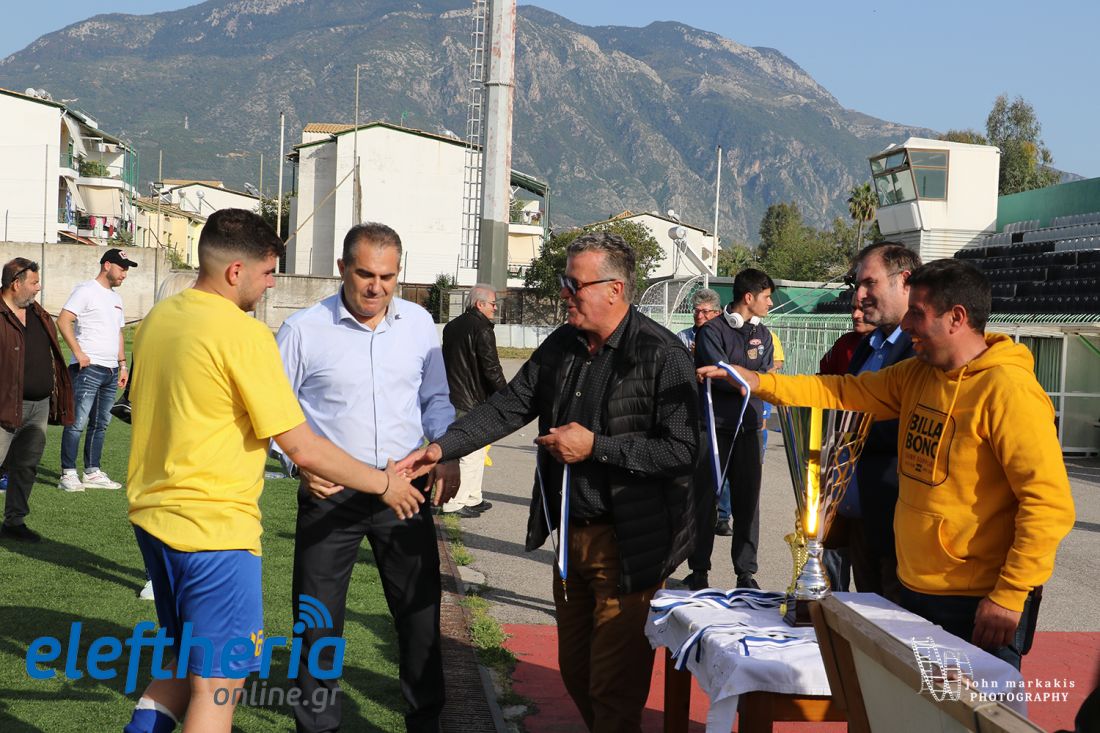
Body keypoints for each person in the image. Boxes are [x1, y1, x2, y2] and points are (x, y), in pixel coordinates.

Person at [124, 210, 424, 733]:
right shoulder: (244, 334)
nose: (271, 285)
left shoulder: (159, 318)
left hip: (154, 519)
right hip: (213, 532)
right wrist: (384, 483)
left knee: (181, 661)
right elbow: (302, 446)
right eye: (267, 273)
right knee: (219, 686)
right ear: (236, 271)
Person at [701, 259, 1075, 669]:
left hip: (976, 602)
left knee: (972, 707)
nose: (908, 324)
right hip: (913, 588)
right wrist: (759, 382)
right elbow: (843, 392)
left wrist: (1010, 594)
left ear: (957, 318)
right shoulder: (916, 374)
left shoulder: (1009, 391)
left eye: (918, 313)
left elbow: (1048, 505)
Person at [400, 231, 699, 732]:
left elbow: (683, 450)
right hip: (570, 539)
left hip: (630, 546)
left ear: (614, 290)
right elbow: (509, 405)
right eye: (566, 280)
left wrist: (596, 446)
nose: (564, 292)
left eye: (574, 284)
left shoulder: (662, 354)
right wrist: (441, 447)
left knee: (613, 687)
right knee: (576, 672)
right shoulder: (564, 343)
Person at [277, 223, 458, 733]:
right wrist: (298, 464)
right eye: (365, 274)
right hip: (331, 493)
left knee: (420, 617)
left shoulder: (419, 324)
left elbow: (436, 399)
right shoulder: (302, 330)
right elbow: (272, 415)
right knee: (317, 622)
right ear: (342, 269)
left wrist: (446, 450)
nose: (376, 286)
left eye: (388, 276)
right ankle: (318, 727)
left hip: (404, 489)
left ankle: (426, 723)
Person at [839, 242, 921, 600]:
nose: (859, 296)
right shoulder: (868, 344)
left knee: (894, 627)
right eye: (857, 284)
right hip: (862, 523)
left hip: (898, 529)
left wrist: (843, 426)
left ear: (904, 281)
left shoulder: (920, 349)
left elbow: (908, 425)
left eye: (869, 283)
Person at [690, 268, 775, 590]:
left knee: (748, 502)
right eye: (766, 297)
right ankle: (699, 570)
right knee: (704, 501)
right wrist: (744, 379)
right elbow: (721, 375)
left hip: (749, 428)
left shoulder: (763, 335)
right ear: (748, 297)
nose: (770, 303)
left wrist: (743, 378)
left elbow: (762, 378)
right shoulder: (711, 332)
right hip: (714, 428)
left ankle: (746, 573)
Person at [0, 259, 74, 542]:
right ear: (15, 284)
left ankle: (14, 522)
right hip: (5, 406)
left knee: (26, 466)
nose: (38, 287)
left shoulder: (37, 313)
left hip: (38, 406)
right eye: (34, 282)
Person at [56, 247, 136, 492]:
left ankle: (92, 472)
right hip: (88, 369)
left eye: (127, 270)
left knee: (100, 424)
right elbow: (63, 320)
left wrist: (122, 365)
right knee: (77, 422)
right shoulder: (86, 290)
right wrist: (78, 352)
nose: (124, 274)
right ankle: (68, 473)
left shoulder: (116, 299)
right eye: (122, 268)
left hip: (111, 371)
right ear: (107, 266)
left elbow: (117, 333)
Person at [440, 282, 507, 517]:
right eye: (492, 304)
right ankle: (454, 502)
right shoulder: (483, 329)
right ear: (480, 304)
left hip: (454, 395)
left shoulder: (451, 327)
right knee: (470, 452)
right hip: (472, 399)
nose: (495, 308)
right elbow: (491, 368)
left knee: (477, 449)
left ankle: (472, 497)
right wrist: (506, 395)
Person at [819, 303, 873, 376]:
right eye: (853, 308)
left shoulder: (889, 347)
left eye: (863, 309)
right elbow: (824, 375)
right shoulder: (844, 342)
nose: (855, 315)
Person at [675, 287, 722, 353]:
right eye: (696, 311)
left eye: (705, 311)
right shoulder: (682, 337)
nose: (699, 316)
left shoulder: (725, 337)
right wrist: (691, 355)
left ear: (717, 313)